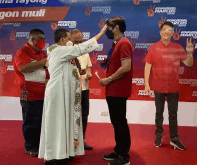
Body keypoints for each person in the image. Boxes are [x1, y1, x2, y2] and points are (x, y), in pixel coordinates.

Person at [38, 25, 107, 165]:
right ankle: (54, 156)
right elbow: (80, 48)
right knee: (57, 124)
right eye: (69, 39)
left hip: (66, 93)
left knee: (65, 122)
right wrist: (100, 34)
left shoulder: (60, 51)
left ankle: (65, 152)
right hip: (58, 93)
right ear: (63, 40)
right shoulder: (59, 50)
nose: (72, 43)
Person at [144, 21, 194, 150]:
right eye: (164, 29)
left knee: (173, 114)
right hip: (158, 86)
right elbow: (148, 65)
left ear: (172, 33)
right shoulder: (153, 48)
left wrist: (189, 53)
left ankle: (174, 138)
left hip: (173, 87)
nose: (167, 32)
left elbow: (189, 64)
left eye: (170, 30)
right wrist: (146, 83)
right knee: (159, 113)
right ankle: (159, 135)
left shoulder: (177, 47)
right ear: (160, 32)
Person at [99, 16, 133, 165]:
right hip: (113, 90)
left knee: (120, 123)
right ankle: (118, 150)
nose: (106, 31)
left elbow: (126, 67)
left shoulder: (124, 43)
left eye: (108, 28)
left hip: (118, 90)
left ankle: (124, 157)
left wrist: (110, 79)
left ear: (116, 28)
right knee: (116, 122)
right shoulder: (116, 44)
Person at [13, 29, 49, 157]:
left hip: (44, 93)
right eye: (40, 38)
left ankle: (40, 145)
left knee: (41, 121)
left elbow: (47, 70)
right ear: (32, 39)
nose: (42, 41)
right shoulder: (22, 52)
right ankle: (30, 146)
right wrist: (41, 63)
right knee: (31, 121)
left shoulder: (43, 53)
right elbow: (23, 68)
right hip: (29, 93)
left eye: (44, 38)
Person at [70, 29, 93, 150]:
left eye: (81, 41)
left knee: (84, 115)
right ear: (70, 39)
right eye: (76, 41)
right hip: (71, 90)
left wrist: (89, 74)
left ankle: (81, 141)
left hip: (84, 88)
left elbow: (89, 68)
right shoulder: (67, 52)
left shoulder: (85, 52)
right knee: (72, 116)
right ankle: (70, 142)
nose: (79, 44)